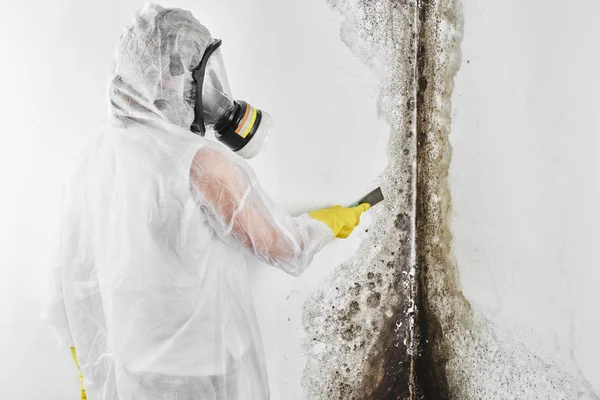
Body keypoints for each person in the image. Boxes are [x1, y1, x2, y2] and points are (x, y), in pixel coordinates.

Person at [45, 4, 370, 399]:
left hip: (131, 371)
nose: (211, 89)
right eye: (200, 70)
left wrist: (85, 367)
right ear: (171, 72)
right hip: (198, 376)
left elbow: (70, 274)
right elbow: (283, 248)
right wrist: (329, 222)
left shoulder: (90, 153)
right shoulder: (200, 163)